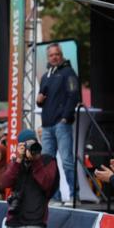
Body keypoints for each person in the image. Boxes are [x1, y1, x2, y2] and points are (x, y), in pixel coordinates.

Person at [36, 43, 79, 203]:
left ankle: (75, 196)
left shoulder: (68, 72)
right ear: (48, 57)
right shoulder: (46, 76)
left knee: (67, 160)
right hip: (47, 126)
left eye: (57, 54)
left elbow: (73, 95)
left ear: (61, 55)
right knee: (48, 163)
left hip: (61, 124)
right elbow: (42, 99)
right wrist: (39, 101)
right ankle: (54, 196)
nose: (54, 57)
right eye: (51, 55)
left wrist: (65, 117)